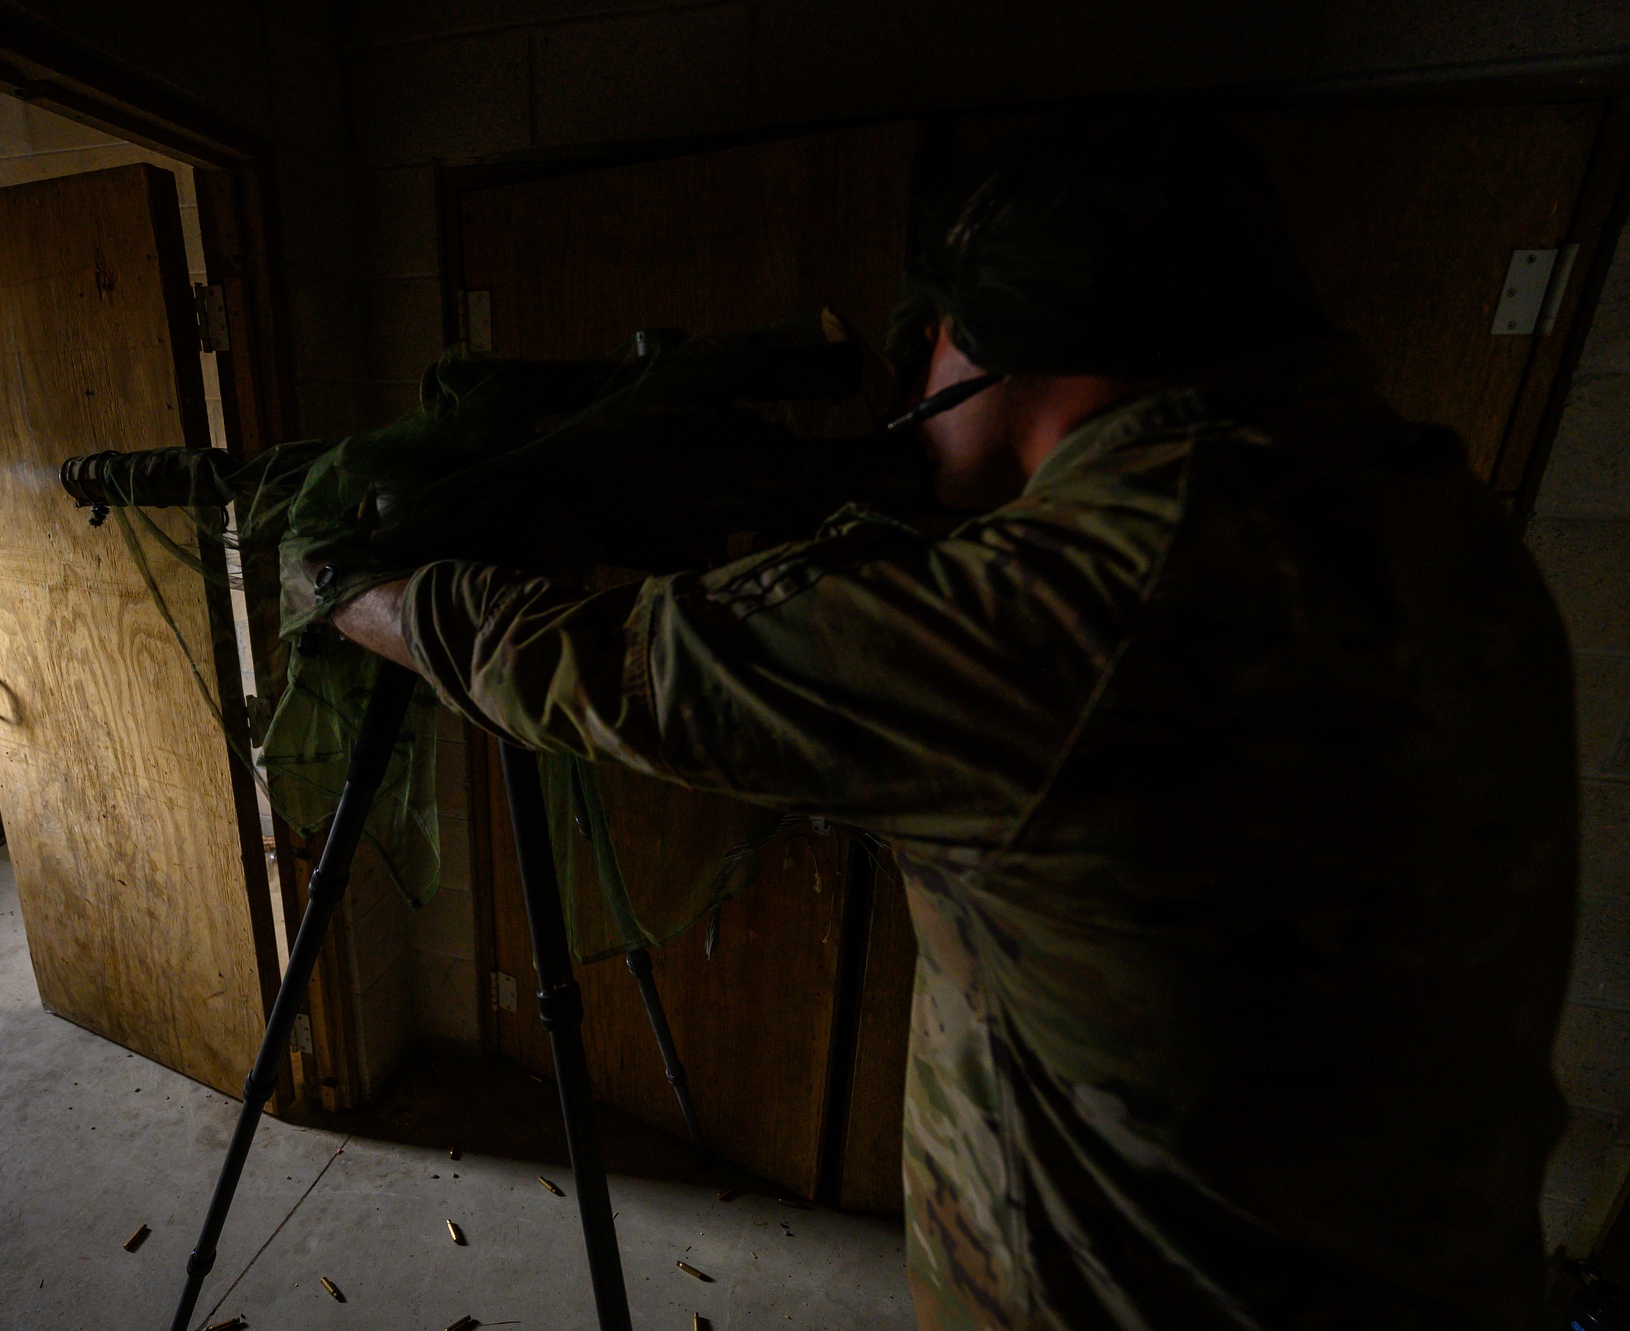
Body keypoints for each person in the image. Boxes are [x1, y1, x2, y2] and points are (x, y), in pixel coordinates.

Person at [330, 115, 1578, 1329]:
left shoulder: (1084, 599)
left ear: (997, 337)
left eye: (924, 346)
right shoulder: (1408, 503)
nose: (911, 390)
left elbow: (609, 669)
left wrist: (363, 591)